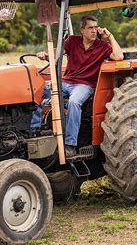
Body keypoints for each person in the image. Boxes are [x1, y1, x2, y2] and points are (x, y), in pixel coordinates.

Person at [31, 15, 124, 158]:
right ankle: (34, 131)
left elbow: (119, 57)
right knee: (38, 92)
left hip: (84, 85)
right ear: (82, 30)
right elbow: (57, 53)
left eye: (95, 28)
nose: (94, 31)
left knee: (74, 102)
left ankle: (69, 144)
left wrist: (109, 36)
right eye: (90, 28)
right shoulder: (72, 41)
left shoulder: (102, 46)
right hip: (66, 82)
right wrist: (46, 55)